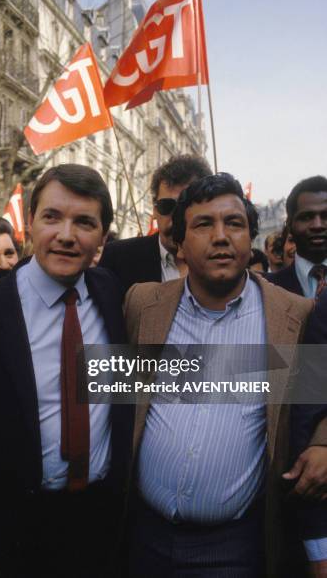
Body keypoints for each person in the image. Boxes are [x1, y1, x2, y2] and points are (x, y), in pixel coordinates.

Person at [124, 173, 327, 578]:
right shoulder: (141, 304)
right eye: (203, 224)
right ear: (179, 243)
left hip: (236, 549)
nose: (220, 236)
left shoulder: (295, 316)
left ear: (250, 236)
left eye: (234, 224)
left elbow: (320, 397)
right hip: (140, 538)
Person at [0, 165, 133, 578]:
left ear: (102, 237)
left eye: (84, 222)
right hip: (10, 539)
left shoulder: (111, 293)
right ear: (28, 223)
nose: (66, 235)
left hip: (103, 530)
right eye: (52, 217)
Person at [99, 155, 212, 292]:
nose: (176, 218)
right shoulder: (118, 258)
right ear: (155, 209)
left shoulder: (224, 261)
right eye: (166, 206)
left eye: (186, 206)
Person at [267, 176, 327, 297]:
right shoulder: (268, 291)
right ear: (289, 224)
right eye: (306, 217)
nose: (318, 225)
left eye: (326, 216)